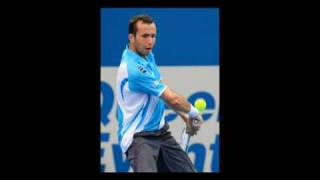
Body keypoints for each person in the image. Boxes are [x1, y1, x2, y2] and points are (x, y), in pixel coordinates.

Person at [116, 14, 203, 172]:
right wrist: (193, 113)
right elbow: (173, 99)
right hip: (139, 138)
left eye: (153, 36)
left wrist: (184, 116)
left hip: (162, 134)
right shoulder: (133, 68)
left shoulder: (147, 56)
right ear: (131, 37)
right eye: (144, 36)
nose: (150, 41)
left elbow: (161, 91)